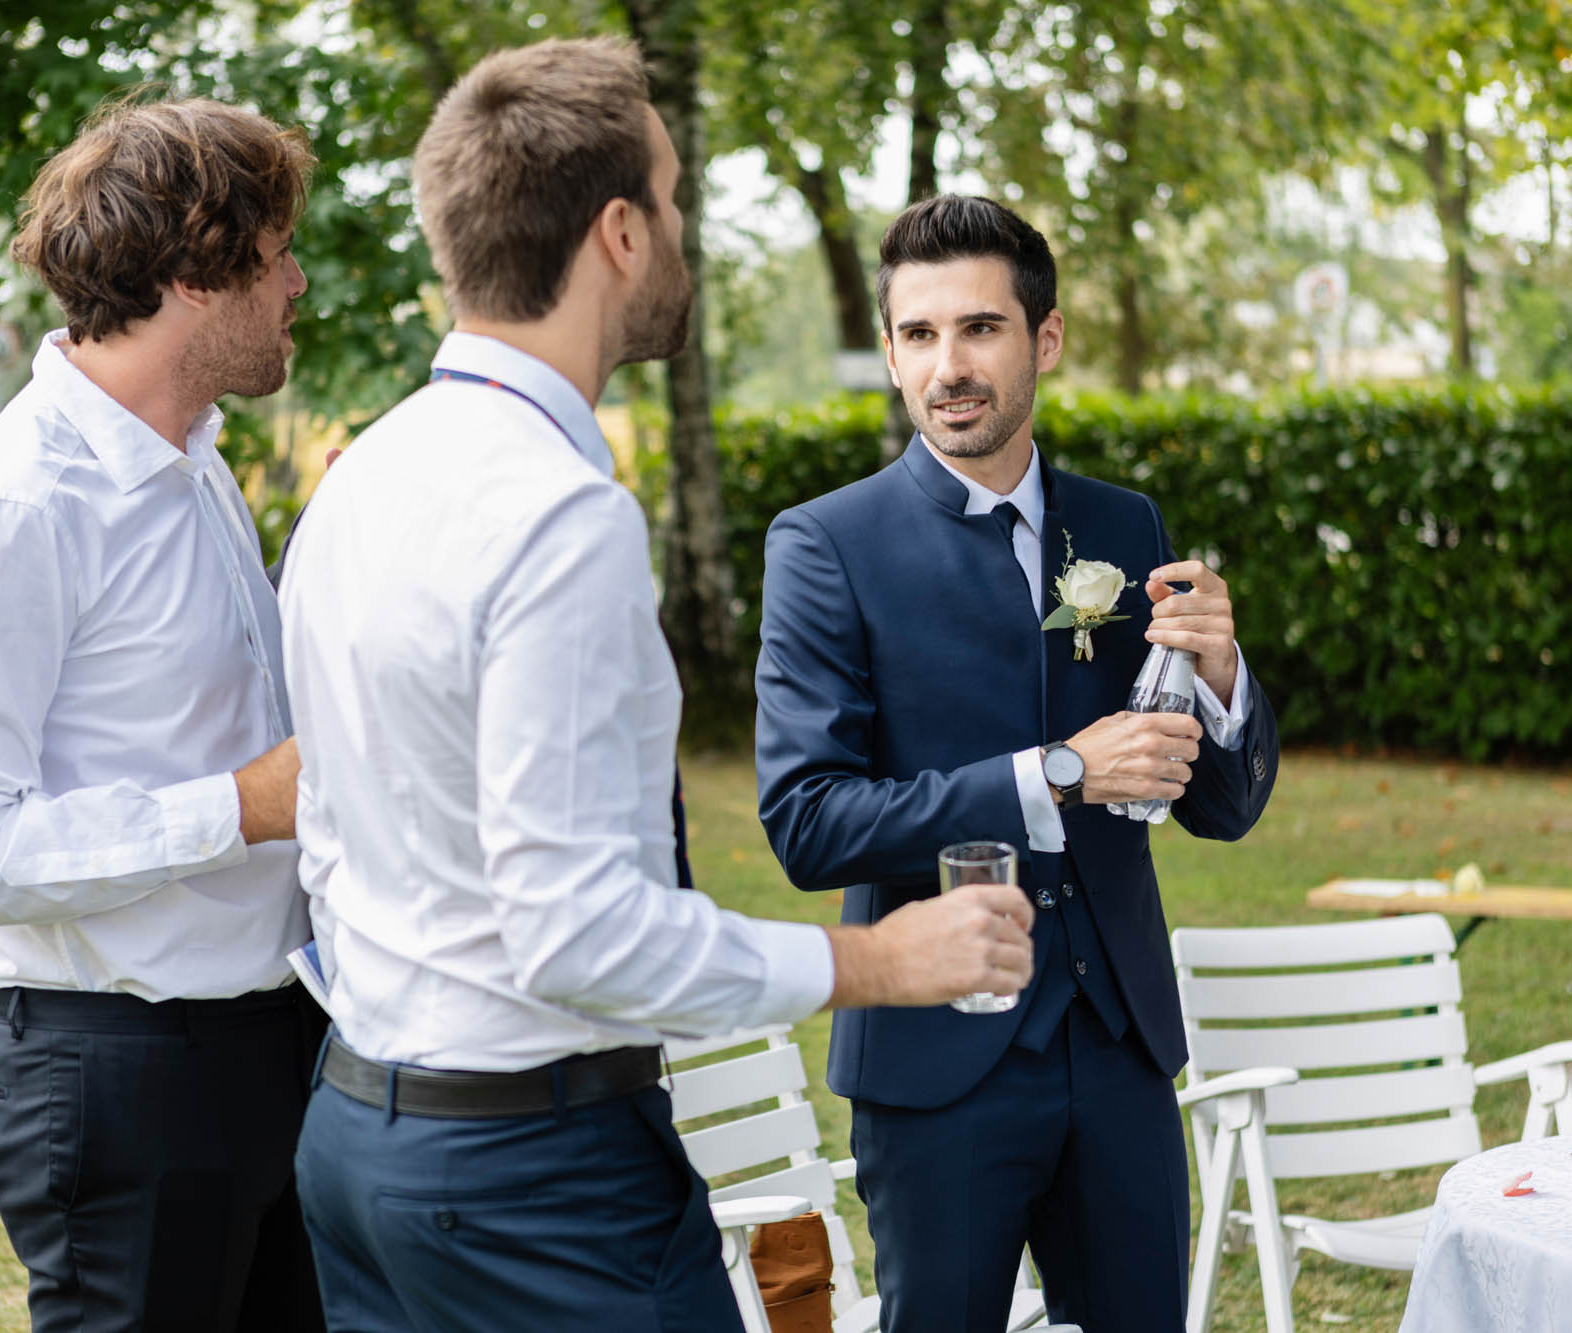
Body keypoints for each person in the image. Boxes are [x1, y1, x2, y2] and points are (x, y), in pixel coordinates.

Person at [277, 38, 1034, 1333]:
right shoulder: (557, 513)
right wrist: (875, 959)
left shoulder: (356, 480)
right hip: (536, 1180)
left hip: (359, 1139)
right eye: (675, 202)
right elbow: (579, 935)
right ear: (620, 231)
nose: (683, 233)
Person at [754, 194, 1281, 1332]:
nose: (948, 364)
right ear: (893, 353)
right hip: (935, 1059)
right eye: (918, 334)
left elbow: (1219, 807)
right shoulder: (824, 545)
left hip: (1119, 1049)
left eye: (979, 328)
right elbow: (807, 822)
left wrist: (1224, 675)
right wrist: (1052, 773)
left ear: (1042, 340)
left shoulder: (1123, 526)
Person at [0, 98, 325, 1332]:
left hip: (270, 1038)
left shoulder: (193, 456)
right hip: (116, 1079)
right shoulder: (14, 510)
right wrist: (238, 808)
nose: (297, 280)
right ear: (193, 272)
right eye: (276, 250)